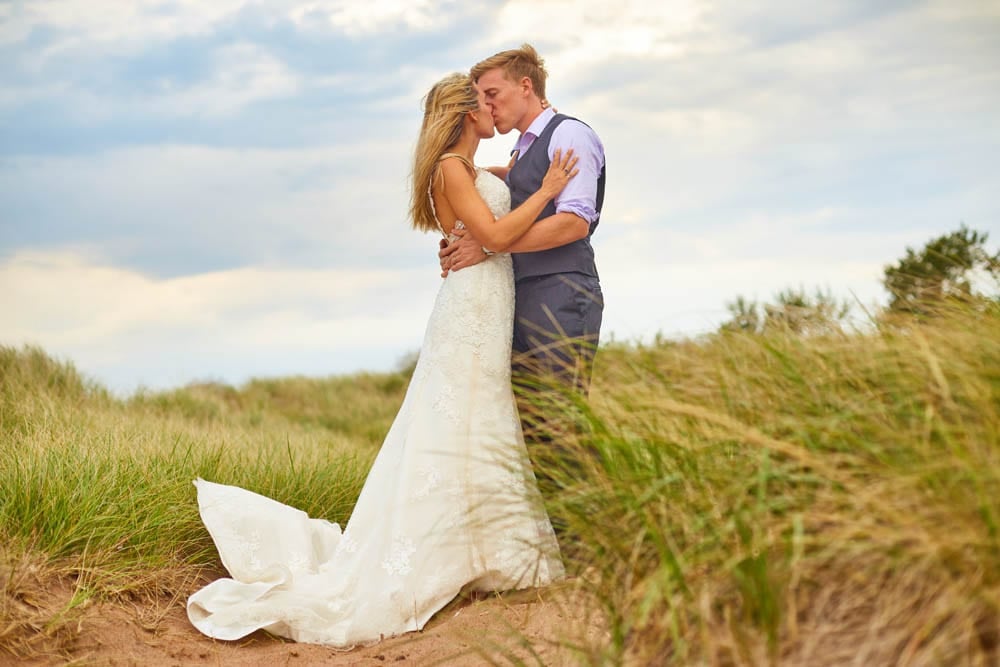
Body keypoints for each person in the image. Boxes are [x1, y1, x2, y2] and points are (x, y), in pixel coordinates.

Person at [185, 73, 578, 648]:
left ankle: (491, 554)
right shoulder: (449, 167)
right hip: (470, 308)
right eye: (486, 101)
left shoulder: (468, 170)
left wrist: (521, 178)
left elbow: (490, 212)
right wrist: (548, 191)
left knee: (484, 419)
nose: (494, 108)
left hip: (487, 303)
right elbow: (494, 229)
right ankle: (467, 557)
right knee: (457, 419)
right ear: (467, 113)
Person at [439, 44, 606, 471]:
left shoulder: (569, 135)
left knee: (562, 424)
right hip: (520, 298)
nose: (486, 105)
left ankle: (598, 534)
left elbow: (573, 223)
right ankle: (560, 536)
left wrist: (490, 244)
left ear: (526, 86)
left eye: (492, 93)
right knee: (534, 434)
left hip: (562, 293)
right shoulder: (521, 152)